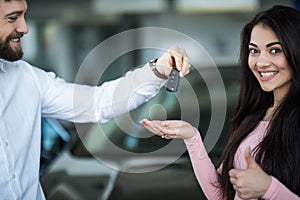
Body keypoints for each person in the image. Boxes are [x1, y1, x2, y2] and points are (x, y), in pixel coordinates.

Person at [0, 0, 191, 199]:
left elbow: (99, 102)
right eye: (13, 18)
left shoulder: (28, 78)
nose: (24, 28)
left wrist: (158, 69)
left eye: (23, 16)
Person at [141, 5, 300, 200]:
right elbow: (221, 195)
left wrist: (269, 188)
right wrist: (192, 138)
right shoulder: (253, 118)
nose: (261, 62)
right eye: (254, 51)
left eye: (274, 50)